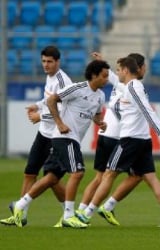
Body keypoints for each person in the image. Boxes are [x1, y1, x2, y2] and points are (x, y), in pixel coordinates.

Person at [76, 56, 160, 227]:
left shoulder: (134, 87)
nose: (116, 73)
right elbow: (117, 83)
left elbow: (148, 111)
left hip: (130, 140)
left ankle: (87, 213)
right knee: (149, 177)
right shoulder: (130, 87)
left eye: (119, 70)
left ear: (126, 71)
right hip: (142, 140)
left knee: (109, 174)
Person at [9, 59, 110, 228]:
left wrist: (100, 122)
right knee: (78, 172)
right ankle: (68, 216)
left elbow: (95, 114)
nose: (107, 79)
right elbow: (51, 101)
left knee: (51, 178)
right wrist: (60, 123)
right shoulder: (77, 88)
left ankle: (19, 205)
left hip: (73, 139)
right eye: (104, 76)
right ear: (93, 75)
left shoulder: (100, 96)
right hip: (64, 137)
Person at [0, 46, 72, 227]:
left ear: (58, 62)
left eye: (49, 62)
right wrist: (38, 105)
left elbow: (63, 111)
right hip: (43, 133)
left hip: (56, 135)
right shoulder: (49, 78)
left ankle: (68, 213)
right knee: (29, 172)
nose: (45, 65)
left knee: (51, 178)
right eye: (43, 61)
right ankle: (20, 214)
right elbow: (48, 101)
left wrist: (41, 116)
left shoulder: (63, 82)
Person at [76, 52, 145, 213]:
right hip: (117, 137)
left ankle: (81, 210)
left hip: (104, 136)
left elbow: (111, 77)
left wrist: (102, 62)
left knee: (100, 177)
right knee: (137, 175)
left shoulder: (117, 85)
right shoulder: (129, 87)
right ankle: (101, 208)